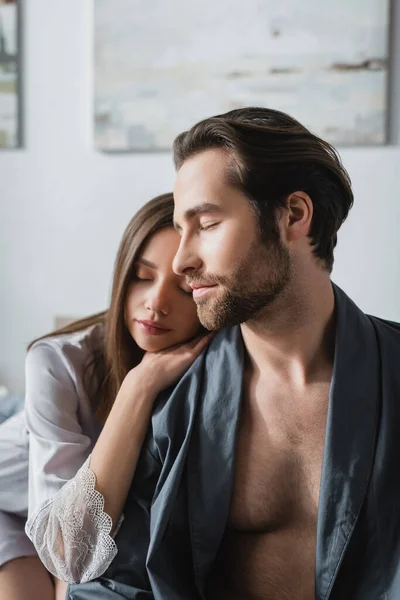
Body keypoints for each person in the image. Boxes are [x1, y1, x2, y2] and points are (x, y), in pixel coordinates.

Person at [68, 107, 400, 600]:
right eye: (182, 229)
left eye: (206, 223)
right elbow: (113, 583)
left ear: (293, 216)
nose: (182, 261)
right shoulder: (173, 400)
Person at [0, 192, 209, 600]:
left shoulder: (209, 363)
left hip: (63, 517)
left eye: (183, 288)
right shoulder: (57, 361)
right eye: (142, 276)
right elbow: (69, 554)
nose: (156, 303)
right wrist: (139, 385)